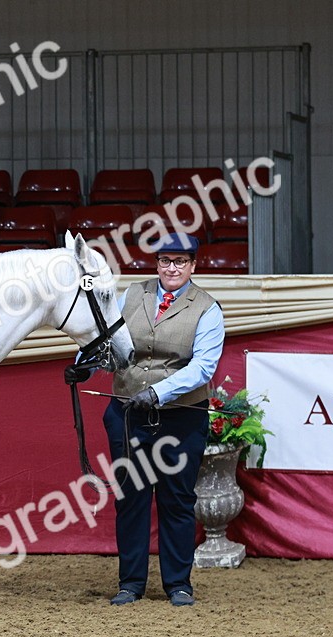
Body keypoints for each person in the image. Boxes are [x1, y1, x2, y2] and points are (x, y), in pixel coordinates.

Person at [97, 231, 225, 607]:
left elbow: (203, 367)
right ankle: (131, 583)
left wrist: (158, 392)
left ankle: (178, 584)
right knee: (131, 499)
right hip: (128, 415)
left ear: (193, 266)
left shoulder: (207, 308)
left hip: (180, 419)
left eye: (180, 262)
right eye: (165, 261)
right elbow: (112, 342)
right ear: (156, 264)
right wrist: (85, 365)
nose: (172, 268)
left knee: (177, 500)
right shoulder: (132, 294)